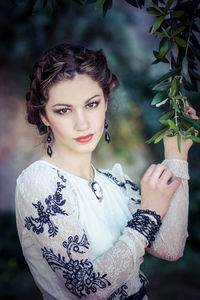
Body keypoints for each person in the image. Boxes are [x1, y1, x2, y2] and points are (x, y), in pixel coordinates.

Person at [15, 43, 198, 300]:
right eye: (64, 110)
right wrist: (149, 214)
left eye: (91, 104)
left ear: (105, 103)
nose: (82, 123)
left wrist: (176, 155)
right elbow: (90, 288)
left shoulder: (113, 182)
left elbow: (170, 248)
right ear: (44, 116)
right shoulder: (39, 182)